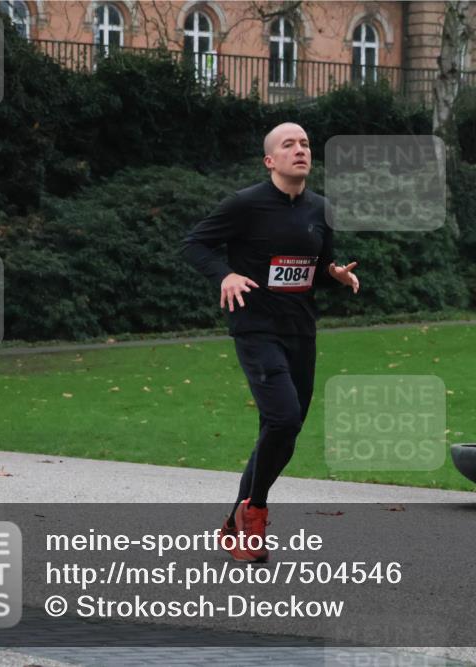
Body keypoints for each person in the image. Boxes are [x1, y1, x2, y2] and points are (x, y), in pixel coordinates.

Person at [181, 122, 360, 562]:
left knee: (284, 428)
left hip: (301, 329)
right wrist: (224, 274)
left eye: (304, 144)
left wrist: (333, 274)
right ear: (270, 160)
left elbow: (317, 265)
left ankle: (235, 522)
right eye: (288, 145)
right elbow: (194, 245)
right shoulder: (246, 204)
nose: (299, 150)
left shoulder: (321, 209)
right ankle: (255, 513)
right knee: (282, 419)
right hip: (256, 327)